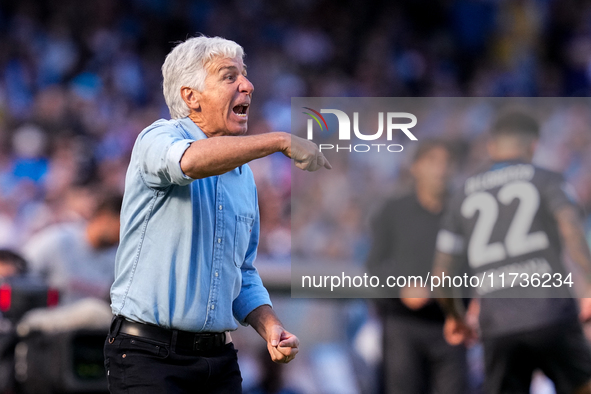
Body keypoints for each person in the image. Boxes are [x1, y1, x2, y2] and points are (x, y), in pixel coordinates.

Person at [105, 35, 330, 394]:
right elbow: (190, 162)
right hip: (149, 357)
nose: (248, 85)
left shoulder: (243, 176)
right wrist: (278, 140)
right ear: (190, 96)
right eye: (229, 77)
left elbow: (242, 271)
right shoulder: (157, 138)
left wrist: (269, 324)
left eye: (244, 75)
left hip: (219, 361)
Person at [433, 110, 591, 394]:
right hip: (551, 311)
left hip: (497, 323)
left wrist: (455, 317)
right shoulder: (546, 179)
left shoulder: (462, 195)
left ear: (492, 147)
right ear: (533, 146)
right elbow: (572, 230)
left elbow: (442, 272)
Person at [366, 140, 467, 394]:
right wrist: (402, 288)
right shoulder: (394, 210)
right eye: (432, 161)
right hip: (403, 324)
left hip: (450, 324)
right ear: (415, 167)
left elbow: (475, 267)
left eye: (446, 163)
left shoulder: (464, 212)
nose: (440, 170)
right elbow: (374, 264)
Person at [22, 193, 122, 305]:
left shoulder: (117, 260)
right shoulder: (59, 239)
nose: (123, 234)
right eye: (122, 224)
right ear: (105, 217)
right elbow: (20, 273)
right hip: (45, 316)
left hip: (91, 321)